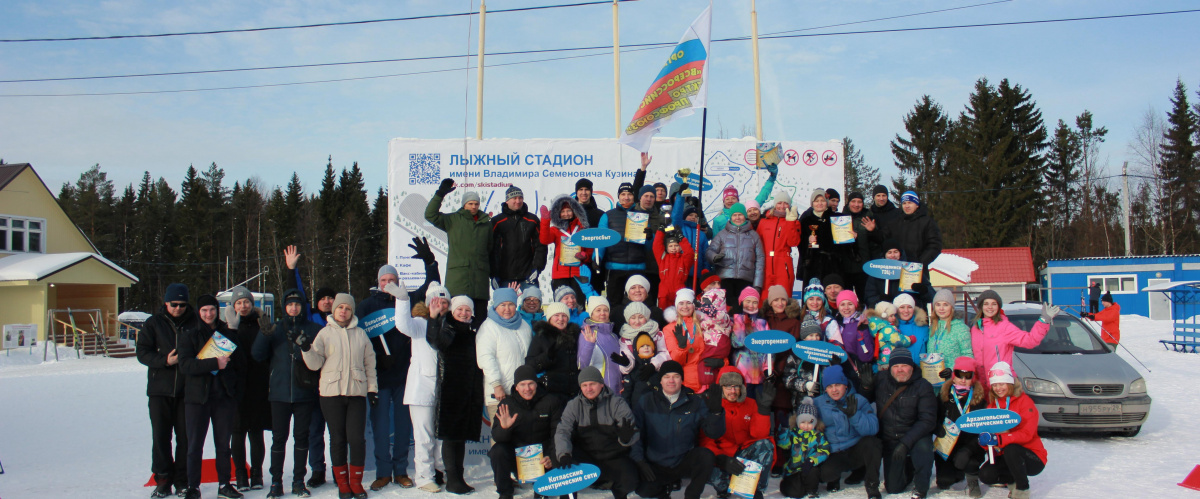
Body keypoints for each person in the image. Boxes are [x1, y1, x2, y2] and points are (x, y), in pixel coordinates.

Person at [300, 293, 378, 499]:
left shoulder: (360, 334)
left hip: (356, 394)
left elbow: (370, 363)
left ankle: (356, 483)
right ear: (334, 310)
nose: (343, 311)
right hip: (331, 394)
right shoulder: (324, 334)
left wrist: (372, 389)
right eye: (340, 307)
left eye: (348, 308)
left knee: (357, 439)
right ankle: (342, 484)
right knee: (338, 439)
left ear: (352, 312)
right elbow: (315, 363)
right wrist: (306, 348)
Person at [251, 289, 321, 498]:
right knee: (279, 438)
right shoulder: (275, 329)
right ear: (284, 306)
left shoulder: (314, 329)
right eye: (290, 304)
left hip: (304, 393)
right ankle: (276, 482)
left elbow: (320, 358)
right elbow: (257, 355)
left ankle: (298, 481)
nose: (293, 308)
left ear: (303, 306)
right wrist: (264, 336)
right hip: (279, 393)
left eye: (297, 304)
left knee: (301, 437)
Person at [178, 294, 242, 499]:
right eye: (204, 310)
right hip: (197, 398)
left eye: (212, 309)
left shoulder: (226, 332)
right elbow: (185, 365)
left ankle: (224, 484)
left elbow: (239, 363)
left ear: (218, 310)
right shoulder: (189, 334)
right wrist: (214, 363)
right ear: (198, 311)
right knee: (194, 444)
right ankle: (193, 487)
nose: (208, 314)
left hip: (223, 397)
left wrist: (233, 388)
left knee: (223, 444)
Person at [631, 360, 725, 499]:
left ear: (682, 379)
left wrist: (716, 413)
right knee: (644, 490)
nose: (671, 380)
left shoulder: (695, 402)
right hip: (656, 463)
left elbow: (714, 432)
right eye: (667, 377)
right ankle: (663, 493)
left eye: (676, 376)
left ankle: (692, 495)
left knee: (705, 456)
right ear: (660, 380)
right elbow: (635, 433)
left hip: (682, 460)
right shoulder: (646, 401)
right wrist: (640, 461)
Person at [357, 265, 415, 491]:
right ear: (378, 281)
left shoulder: (404, 303)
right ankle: (383, 472)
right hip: (378, 378)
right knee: (380, 427)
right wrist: (378, 359)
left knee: (403, 426)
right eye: (384, 280)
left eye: (392, 279)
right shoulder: (366, 306)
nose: (388, 283)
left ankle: (400, 470)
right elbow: (360, 338)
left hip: (403, 376)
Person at [388, 280, 448, 493]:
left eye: (444, 302)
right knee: (424, 436)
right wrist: (403, 301)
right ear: (429, 303)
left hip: (443, 390)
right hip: (421, 388)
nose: (440, 305)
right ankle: (424, 476)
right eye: (436, 301)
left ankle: (441, 471)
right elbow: (402, 325)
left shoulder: (449, 327)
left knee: (441, 436)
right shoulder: (420, 324)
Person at [137, 282, 195, 498]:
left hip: (187, 391)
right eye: (174, 304)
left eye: (182, 304)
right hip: (159, 389)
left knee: (185, 438)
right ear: (166, 303)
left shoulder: (194, 322)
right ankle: (162, 480)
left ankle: (182, 480)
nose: (178, 308)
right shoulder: (153, 323)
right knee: (161, 437)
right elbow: (142, 352)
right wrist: (164, 361)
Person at [555, 367, 641, 499]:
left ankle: (618, 492)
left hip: (613, 456)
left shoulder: (616, 403)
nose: (588, 389)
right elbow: (563, 431)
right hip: (585, 457)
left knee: (631, 480)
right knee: (565, 474)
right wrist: (564, 454)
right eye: (584, 385)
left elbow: (632, 429)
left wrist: (625, 439)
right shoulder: (573, 405)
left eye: (592, 384)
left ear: (601, 384)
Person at [429, 295, 486, 494]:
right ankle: (452, 479)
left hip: (469, 390)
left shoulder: (473, 331)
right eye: (460, 310)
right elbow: (436, 342)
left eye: (467, 310)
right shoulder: (448, 327)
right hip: (451, 390)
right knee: (451, 437)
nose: (463, 313)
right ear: (453, 311)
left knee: (460, 437)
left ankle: (458, 477)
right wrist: (434, 318)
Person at [489, 365, 565, 499]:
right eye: (522, 384)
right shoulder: (507, 404)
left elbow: (557, 434)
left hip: (543, 460)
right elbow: (497, 437)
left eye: (531, 384)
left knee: (542, 494)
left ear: (537, 384)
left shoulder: (551, 402)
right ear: (516, 387)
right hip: (519, 461)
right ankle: (505, 493)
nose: (527, 389)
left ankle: (542, 490)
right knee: (497, 451)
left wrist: (551, 457)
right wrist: (504, 428)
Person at [701, 367, 775, 499]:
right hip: (722, 457)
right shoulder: (712, 405)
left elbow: (759, 435)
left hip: (744, 454)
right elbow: (706, 440)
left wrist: (763, 410)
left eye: (736, 386)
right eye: (728, 386)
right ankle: (723, 490)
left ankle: (755, 489)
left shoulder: (751, 404)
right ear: (721, 387)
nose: (733, 391)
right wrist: (721, 459)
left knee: (766, 445)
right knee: (704, 458)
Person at [976, 362, 1046, 499]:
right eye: (995, 385)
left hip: (1033, 457)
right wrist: (985, 441)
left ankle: (1022, 490)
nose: (998, 388)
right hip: (1006, 456)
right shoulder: (992, 406)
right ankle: (1013, 480)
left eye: (1002, 384)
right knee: (986, 474)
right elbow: (990, 441)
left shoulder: (1025, 402)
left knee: (1012, 449)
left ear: (1010, 383)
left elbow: (1027, 434)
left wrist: (1000, 439)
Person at [224, 286, 271, 491]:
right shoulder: (227, 326)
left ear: (252, 304)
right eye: (239, 303)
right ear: (233, 306)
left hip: (258, 385)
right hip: (235, 387)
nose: (243, 306)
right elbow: (221, 352)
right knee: (237, 432)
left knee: (256, 431)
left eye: (246, 302)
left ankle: (257, 474)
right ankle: (241, 475)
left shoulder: (263, 324)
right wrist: (230, 330)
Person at [873, 348, 937, 498]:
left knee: (924, 449)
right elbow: (862, 400)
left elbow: (927, 420)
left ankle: (921, 488)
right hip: (890, 438)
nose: (900, 370)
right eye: (895, 366)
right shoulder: (881, 380)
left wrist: (905, 443)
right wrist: (865, 386)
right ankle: (908, 468)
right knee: (894, 488)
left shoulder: (923, 386)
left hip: (914, 436)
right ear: (890, 368)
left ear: (912, 366)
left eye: (904, 365)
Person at [812, 365, 882, 498]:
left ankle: (872, 486)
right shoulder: (818, 404)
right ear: (825, 388)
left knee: (873, 443)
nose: (834, 390)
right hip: (834, 453)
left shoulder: (858, 400)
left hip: (856, 449)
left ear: (845, 385)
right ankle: (834, 478)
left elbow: (873, 428)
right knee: (825, 475)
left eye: (837, 385)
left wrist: (855, 415)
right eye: (829, 386)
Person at [426, 178, 493, 315]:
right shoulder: (452, 220)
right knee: (456, 318)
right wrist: (440, 194)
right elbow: (430, 215)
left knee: (480, 320)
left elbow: (490, 249)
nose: (474, 207)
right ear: (464, 205)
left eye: (476, 204)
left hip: (480, 282)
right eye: (470, 204)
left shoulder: (486, 224)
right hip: (458, 281)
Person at [969, 290, 1054, 383]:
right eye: (986, 304)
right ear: (981, 306)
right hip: (981, 384)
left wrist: (1044, 320)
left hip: (1001, 383)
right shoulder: (976, 328)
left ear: (998, 307)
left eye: (994, 304)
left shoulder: (1005, 327)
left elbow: (1030, 341)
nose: (990, 307)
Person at [477, 287, 534, 422]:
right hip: (499, 394)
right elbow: (486, 358)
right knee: (501, 436)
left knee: (521, 436)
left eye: (511, 305)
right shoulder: (488, 328)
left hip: (521, 393)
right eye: (503, 305)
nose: (507, 309)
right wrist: (497, 385)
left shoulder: (524, 325)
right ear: (496, 306)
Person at [933, 357, 987, 497]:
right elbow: (934, 417)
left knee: (967, 461)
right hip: (948, 445)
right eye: (959, 374)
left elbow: (983, 431)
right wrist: (938, 428)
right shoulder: (944, 395)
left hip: (970, 445)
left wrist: (969, 449)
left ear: (973, 378)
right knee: (945, 481)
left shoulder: (979, 399)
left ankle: (972, 480)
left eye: (968, 375)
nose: (963, 379)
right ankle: (954, 471)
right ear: (954, 376)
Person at [596, 181, 653, 297]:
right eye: (623, 194)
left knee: (637, 303)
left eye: (629, 194)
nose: (626, 197)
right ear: (618, 196)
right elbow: (601, 240)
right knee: (614, 302)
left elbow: (649, 247)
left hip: (637, 267)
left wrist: (650, 237)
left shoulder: (642, 216)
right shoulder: (608, 215)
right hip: (614, 267)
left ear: (634, 196)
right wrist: (597, 259)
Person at [883, 192, 942, 306]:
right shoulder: (895, 222)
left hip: (917, 270)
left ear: (917, 205)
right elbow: (884, 240)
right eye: (904, 203)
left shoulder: (927, 222)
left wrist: (920, 262)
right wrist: (872, 231)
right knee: (898, 303)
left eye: (910, 202)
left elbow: (935, 245)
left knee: (918, 302)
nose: (907, 206)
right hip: (896, 270)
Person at [490, 185, 547, 289]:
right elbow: (492, 249)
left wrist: (537, 268)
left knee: (533, 303)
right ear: (507, 200)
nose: (518, 201)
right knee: (504, 304)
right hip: (504, 276)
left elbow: (540, 245)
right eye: (514, 198)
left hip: (528, 275)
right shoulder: (497, 221)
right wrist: (493, 273)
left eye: (520, 198)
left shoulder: (532, 220)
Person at [540, 194, 593, 302]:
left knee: (578, 304)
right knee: (561, 306)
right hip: (560, 274)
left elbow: (589, 252)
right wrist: (545, 221)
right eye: (563, 212)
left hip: (578, 273)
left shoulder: (582, 229)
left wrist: (585, 256)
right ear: (558, 214)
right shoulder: (556, 230)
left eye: (569, 211)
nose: (566, 214)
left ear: (575, 211)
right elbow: (544, 240)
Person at [707, 203, 766, 300]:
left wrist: (757, 285)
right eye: (734, 215)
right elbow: (710, 251)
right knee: (726, 310)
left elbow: (760, 260)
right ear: (731, 217)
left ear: (745, 216)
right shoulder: (722, 234)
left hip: (746, 280)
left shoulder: (754, 235)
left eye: (740, 214)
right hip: (725, 279)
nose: (737, 218)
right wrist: (714, 257)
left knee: (741, 312)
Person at [777, 403, 830, 499]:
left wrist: (812, 460)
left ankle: (811, 491)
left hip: (809, 468)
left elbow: (824, 450)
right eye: (803, 422)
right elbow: (783, 444)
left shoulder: (818, 436)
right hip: (793, 471)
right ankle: (794, 487)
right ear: (797, 421)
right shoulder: (793, 433)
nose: (806, 426)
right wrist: (784, 429)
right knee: (795, 493)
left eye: (810, 422)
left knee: (814, 471)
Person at [757, 190, 802, 294]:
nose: (782, 206)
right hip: (766, 264)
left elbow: (793, 242)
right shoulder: (764, 221)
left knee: (783, 296)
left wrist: (791, 222)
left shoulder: (793, 222)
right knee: (764, 298)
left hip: (783, 264)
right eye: (779, 203)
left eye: (785, 203)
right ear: (775, 204)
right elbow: (757, 244)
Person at [579, 296, 624, 393]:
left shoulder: (613, 335)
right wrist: (589, 344)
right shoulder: (586, 333)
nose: (602, 313)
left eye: (605, 310)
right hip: (601, 391)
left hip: (617, 389)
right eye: (598, 310)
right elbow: (582, 365)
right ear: (591, 313)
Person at [713, 166, 777, 233]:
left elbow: (762, 196)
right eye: (727, 199)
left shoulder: (745, 211)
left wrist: (771, 179)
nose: (730, 201)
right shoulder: (718, 220)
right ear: (723, 201)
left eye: (733, 198)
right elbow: (715, 240)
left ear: (738, 200)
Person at [730, 287, 771, 394]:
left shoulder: (762, 323)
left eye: (754, 302)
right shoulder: (735, 319)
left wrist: (767, 368)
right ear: (741, 302)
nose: (751, 305)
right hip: (742, 374)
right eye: (748, 301)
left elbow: (769, 347)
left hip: (760, 375)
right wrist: (740, 318)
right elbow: (737, 342)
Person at [841, 192, 877, 304]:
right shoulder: (841, 217)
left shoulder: (868, 217)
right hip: (845, 266)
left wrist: (872, 232)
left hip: (863, 267)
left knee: (865, 299)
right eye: (853, 201)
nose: (856, 204)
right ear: (848, 203)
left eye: (859, 202)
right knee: (846, 299)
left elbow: (876, 243)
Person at [798, 189, 840, 284]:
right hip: (812, 265)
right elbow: (799, 243)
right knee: (813, 296)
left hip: (832, 265)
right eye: (816, 201)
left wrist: (851, 236)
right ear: (812, 203)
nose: (819, 203)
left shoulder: (835, 219)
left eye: (822, 201)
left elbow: (843, 244)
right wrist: (808, 241)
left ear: (827, 202)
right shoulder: (806, 220)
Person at [926, 289, 972, 370]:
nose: (941, 308)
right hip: (934, 378)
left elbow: (968, 356)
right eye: (938, 305)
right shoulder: (932, 328)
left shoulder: (960, 328)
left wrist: (953, 370)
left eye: (945, 305)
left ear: (952, 307)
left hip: (953, 379)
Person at [653, 226, 696, 310]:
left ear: (680, 247)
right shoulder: (663, 257)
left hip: (679, 291)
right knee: (663, 314)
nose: (673, 248)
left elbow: (690, 253)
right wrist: (660, 232)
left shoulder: (684, 260)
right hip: (664, 292)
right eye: (670, 246)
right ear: (667, 247)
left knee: (679, 312)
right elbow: (656, 246)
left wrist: (682, 239)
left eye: (676, 245)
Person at [864, 239, 904, 307]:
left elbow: (926, 295)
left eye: (896, 252)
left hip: (904, 310)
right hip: (883, 310)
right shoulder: (876, 270)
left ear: (900, 253)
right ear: (884, 255)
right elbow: (869, 295)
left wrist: (922, 290)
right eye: (889, 252)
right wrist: (879, 299)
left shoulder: (909, 268)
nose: (893, 255)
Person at [894, 293, 930, 360]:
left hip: (920, 368)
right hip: (899, 369)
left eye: (909, 307)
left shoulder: (923, 327)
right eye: (902, 307)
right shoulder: (891, 328)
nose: (906, 311)